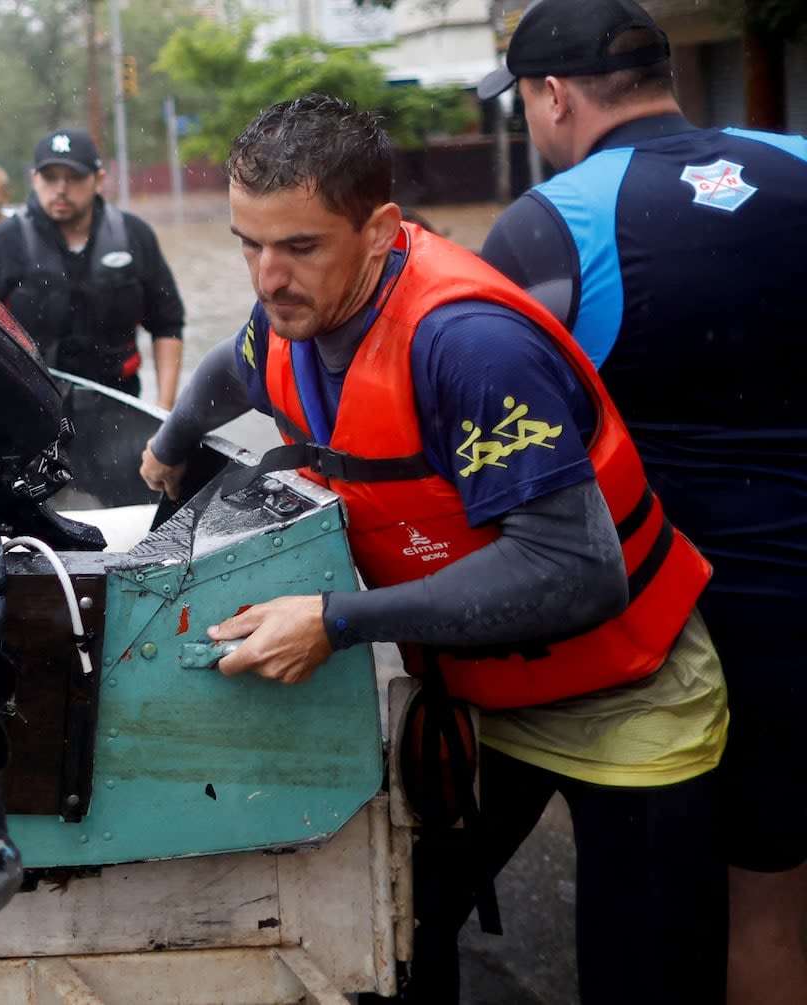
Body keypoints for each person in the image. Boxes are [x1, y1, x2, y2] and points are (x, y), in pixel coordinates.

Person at [136, 95, 728, 1005]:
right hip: (488, 698)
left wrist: (337, 622)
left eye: (299, 247)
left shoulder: (467, 345)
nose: (267, 277)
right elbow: (229, 366)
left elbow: (577, 570)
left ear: (377, 232)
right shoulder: (293, 319)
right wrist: (173, 442)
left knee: (639, 977)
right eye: (247, 244)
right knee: (394, 938)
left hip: (627, 699)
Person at [475, 2, 807, 999]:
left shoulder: (550, 226)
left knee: (689, 917)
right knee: (778, 905)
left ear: (555, 94)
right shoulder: (796, 159)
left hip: (687, 635)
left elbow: (486, 430)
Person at [0, 127, 185, 409]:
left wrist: (164, 411)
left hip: (116, 408)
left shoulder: (135, 236)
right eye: (50, 178)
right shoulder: (0, 245)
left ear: (99, 180)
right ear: (34, 179)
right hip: (27, 409)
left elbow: (167, 324)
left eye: (74, 178)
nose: (61, 189)